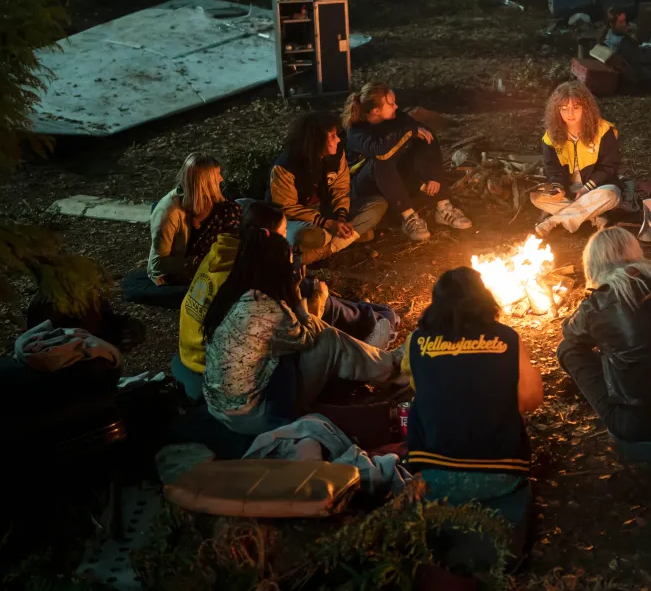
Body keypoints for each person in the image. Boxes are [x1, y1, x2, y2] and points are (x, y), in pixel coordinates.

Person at [173, 201, 399, 401]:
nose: (288, 243)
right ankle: (386, 357)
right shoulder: (253, 289)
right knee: (326, 332)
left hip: (200, 358)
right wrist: (315, 299)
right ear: (268, 237)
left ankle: (372, 326)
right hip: (230, 383)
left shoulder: (223, 253)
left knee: (311, 292)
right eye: (283, 233)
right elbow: (305, 334)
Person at [201, 226, 403, 435]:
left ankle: (379, 363)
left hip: (222, 408)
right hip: (256, 416)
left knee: (322, 337)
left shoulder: (233, 294)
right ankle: (395, 368)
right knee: (329, 339)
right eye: (290, 263)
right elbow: (308, 337)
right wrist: (304, 301)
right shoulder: (268, 309)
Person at [556, 228, 651, 443]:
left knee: (568, 348)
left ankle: (614, 405)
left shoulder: (596, 304)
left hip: (637, 426)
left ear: (594, 263)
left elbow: (570, 333)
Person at [405, 267, 543, 504]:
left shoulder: (417, 341)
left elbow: (422, 390)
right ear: (485, 299)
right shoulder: (508, 338)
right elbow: (531, 398)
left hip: (433, 475)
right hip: (501, 475)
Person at [343, 82, 472, 242]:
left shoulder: (396, 118)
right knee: (380, 161)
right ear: (376, 111)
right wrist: (409, 131)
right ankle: (408, 217)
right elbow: (381, 151)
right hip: (366, 186)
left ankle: (443, 206)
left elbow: (425, 135)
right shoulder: (357, 131)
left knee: (423, 137)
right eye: (391, 104)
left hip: (394, 177)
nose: (396, 106)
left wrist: (433, 175)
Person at [123, 153, 241, 308]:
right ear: (204, 181)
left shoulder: (211, 200)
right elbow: (160, 262)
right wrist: (196, 263)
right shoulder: (168, 213)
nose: (221, 179)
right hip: (177, 268)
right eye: (217, 175)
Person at [268, 111, 387, 262]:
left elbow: (341, 189)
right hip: (297, 219)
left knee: (378, 204)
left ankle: (323, 250)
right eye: (332, 136)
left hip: (326, 211)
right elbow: (287, 208)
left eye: (336, 134)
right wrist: (328, 224)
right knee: (310, 237)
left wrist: (341, 218)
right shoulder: (285, 167)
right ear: (316, 141)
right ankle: (347, 237)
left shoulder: (336, 156)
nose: (338, 140)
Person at [532, 81, 622, 237]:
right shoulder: (551, 137)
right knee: (536, 197)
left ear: (585, 108)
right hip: (569, 190)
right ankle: (594, 216)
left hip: (596, 189)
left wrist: (586, 188)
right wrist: (558, 187)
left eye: (575, 108)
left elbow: (609, 167)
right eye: (564, 109)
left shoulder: (603, 130)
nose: (570, 114)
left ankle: (553, 221)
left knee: (611, 195)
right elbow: (553, 169)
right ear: (557, 110)